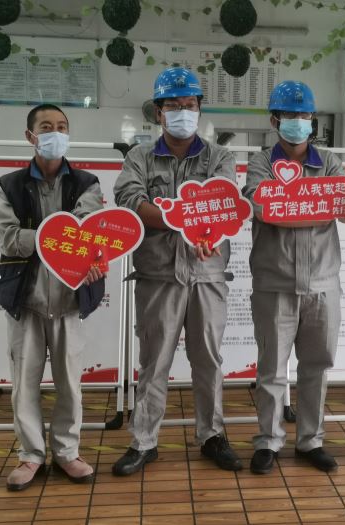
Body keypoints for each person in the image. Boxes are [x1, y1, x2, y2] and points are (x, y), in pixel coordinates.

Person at [112, 67, 242, 475]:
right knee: (154, 361)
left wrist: (184, 219)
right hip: (158, 275)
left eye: (189, 105)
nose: (182, 112)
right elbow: (130, 200)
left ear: (199, 110)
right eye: (173, 105)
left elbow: (223, 202)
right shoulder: (139, 157)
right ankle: (144, 441)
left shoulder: (220, 157)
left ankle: (212, 435)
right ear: (159, 113)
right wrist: (186, 221)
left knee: (209, 359)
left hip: (207, 273)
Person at [242, 81, 345, 474]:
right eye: (289, 114)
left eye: (304, 115)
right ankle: (268, 440)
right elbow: (262, 206)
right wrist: (319, 207)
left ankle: (311, 441)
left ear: (312, 120)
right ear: (274, 120)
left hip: (322, 284)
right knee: (271, 370)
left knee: (316, 366)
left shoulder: (329, 163)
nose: (297, 121)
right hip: (274, 283)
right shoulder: (260, 164)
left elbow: (343, 201)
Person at [0, 103, 106, 491]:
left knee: (70, 383)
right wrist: (60, 238)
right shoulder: (8, 185)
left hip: (70, 300)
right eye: (46, 127)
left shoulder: (87, 183)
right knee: (24, 383)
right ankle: (30, 455)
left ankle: (67, 452)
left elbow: (88, 232)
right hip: (25, 299)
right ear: (30, 136)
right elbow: (8, 238)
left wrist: (50, 240)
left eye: (62, 126)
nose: (55, 132)